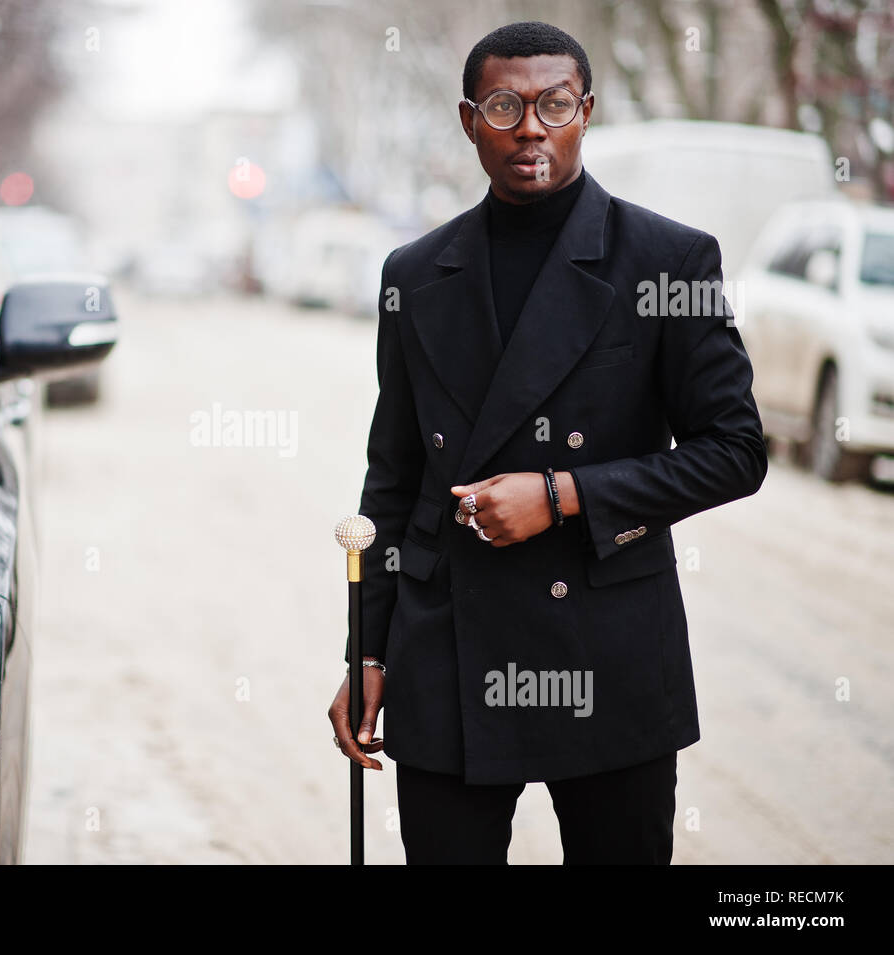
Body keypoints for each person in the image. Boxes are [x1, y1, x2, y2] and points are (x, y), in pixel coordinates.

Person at [327, 20, 768, 864]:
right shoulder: (415, 274)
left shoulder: (665, 261)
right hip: (447, 649)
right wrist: (368, 648)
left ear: (585, 110)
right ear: (469, 120)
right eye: (505, 105)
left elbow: (736, 449)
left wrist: (564, 495)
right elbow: (394, 480)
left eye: (554, 104)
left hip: (605, 649)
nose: (530, 126)